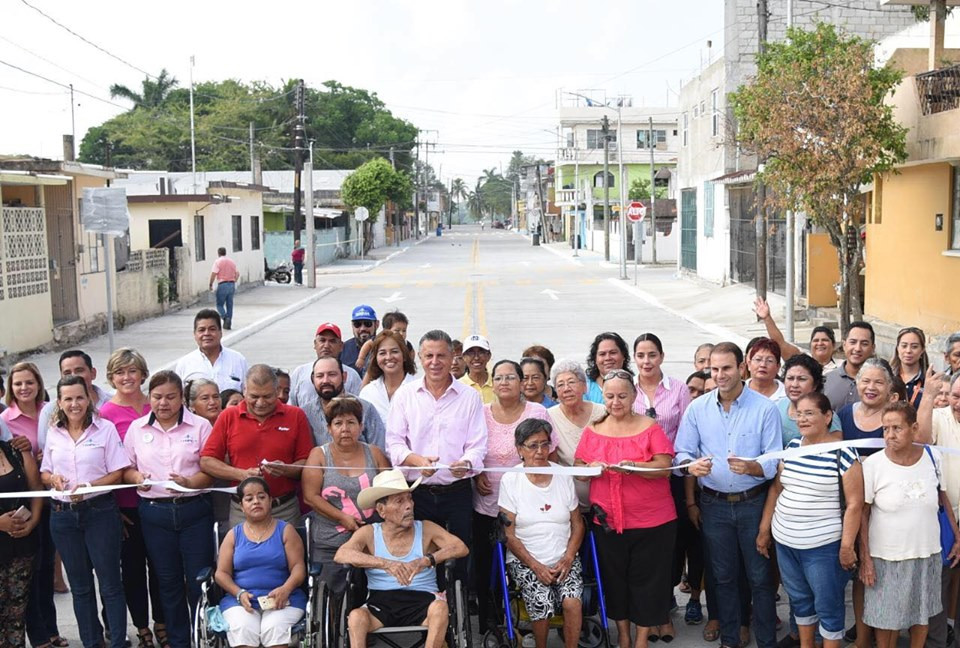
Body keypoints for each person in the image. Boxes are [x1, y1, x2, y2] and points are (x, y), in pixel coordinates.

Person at [675, 342, 782, 648]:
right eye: (715, 369)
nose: (720, 375)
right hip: (715, 505)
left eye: (726, 368)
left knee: (760, 578)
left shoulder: (765, 409)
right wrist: (690, 466)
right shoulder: (698, 409)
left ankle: (765, 641)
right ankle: (731, 640)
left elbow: (774, 459)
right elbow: (682, 452)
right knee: (722, 577)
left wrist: (754, 467)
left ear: (742, 368)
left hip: (753, 504)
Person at [575, 369, 678, 648]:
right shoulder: (594, 429)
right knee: (615, 580)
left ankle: (642, 638)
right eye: (609, 396)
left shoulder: (649, 427)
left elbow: (664, 467)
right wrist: (589, 470)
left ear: (634, 396)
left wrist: (637, 467)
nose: (615, 402)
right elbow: (580, 468)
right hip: (607, 520)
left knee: (648, 581)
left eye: (622, 396)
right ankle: (622, 634)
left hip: (652, 521)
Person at [756, 392, 863, 648]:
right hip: (786, 543)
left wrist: (847, 547)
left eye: (809, 413)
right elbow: (776, 489)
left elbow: (855, 504)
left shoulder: (844, 453)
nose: (802, 419)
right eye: (799, 413)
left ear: (828, 417)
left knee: (828, 606)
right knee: (800, 600)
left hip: (823, 548)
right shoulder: (792, 447)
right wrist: (764, 529)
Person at [385, 329, 487, 581]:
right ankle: (429, 611)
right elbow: (394, 444)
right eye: (428, 355)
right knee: (419, 558)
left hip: (457, 491)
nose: (435, 362)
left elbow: (478, 445)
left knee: (459, 557)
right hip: (417, 491)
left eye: (441, 355)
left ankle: (457, 608)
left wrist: (466, 463)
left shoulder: (470, 397)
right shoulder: (405, 395)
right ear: (419, 357)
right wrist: (416, 461)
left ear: (454, 356)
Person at [124, 370, 215, 648]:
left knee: (198, 580)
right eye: (157, 397)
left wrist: (189, 482)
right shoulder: (137, 429)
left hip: (194, 511)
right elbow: (126, 468)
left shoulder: (200, 426)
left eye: (170, 397)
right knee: (168, 580)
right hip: (155, 513)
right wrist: (137, 478)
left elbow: (209, 471)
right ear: (149, 397)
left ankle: (204, 636)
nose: (163, 403)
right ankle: (179, 641)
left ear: (182, 399)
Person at [860, 401, 960, 648]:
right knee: (886, 619)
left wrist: (957, 537)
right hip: (887, 556)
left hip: (927, 553)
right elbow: (862, 513)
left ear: (914, 428)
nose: (890, 435)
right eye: (885, 429)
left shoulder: (932, 457)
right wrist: (866, 559)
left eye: (897, 428)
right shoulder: (873, 464)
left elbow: (942, 498)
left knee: (921, 612)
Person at [40, 375, 130, 648]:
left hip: (99, 511)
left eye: (79, 397)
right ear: (59, 402)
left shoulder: (105, 429)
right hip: (63, 515)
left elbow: (118, 472)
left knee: (110, 583)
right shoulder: (54, 431)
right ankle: (92, 642)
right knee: (80, 586)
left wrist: (90, 485)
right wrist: (52, 479)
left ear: (89, 398)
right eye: (68, 398)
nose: (74, 404)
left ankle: (117, 641)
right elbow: (45, 471)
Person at [334, 469, 469, 648]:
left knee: (441, 608)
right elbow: (341, 554)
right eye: (399, 501)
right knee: (356, 617)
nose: (409, 506)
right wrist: (386, 564)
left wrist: (427, 560)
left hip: (423, 599)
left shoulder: (426, 528)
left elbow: (461, 547)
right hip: (381, 601)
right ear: (381, 510)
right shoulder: (369, 533)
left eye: (409, 499)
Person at [474, 360, 553, 632]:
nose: (504, 382)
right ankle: (491, 622)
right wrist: (475, 474)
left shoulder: (537, 411)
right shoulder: (481, 412)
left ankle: (531, 620)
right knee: (488, 568)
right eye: (498, 378)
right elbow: (470, 448)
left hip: (528, 506)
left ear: (521, 382)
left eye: (510, 377)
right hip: (488, 504)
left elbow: (547, 454)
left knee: (528, 564)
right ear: (492, 383)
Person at [99, 348, 167, 648]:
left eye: (132, 371)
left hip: (160, 501)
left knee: (162, 568)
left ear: (143, 373)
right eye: (119, 372)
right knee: (133, 571)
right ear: (111, 378)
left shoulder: (157, 405)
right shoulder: (105, 415)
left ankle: (163, 622)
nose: (126, 377)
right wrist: (112, 509)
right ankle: (142, 627)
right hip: (126, 506)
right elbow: (101, 463)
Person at [631, 333, 699, 623]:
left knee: (683, 537)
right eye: (641, 355)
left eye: (652, 355)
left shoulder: (679, 389)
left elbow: (686, 435)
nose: (647, 361)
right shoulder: (627, 389)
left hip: (671, 476)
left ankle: (693, 595)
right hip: (637, 477)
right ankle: (663, 595)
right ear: (634, 358)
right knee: (652, 544)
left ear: (662, 356)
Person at [499, 419, 584, 648]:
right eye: (532, 445)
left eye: (545, 444)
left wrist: (568, 557)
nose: (540, 451)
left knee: (572, 602)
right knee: (541, 600)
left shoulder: (562, 475)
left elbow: (577, 524)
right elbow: (509, 535)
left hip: (563, 557)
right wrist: (536, 565)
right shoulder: (510, 479)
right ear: (519, 449)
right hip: (526, 560)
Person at [201, 364, 314, 526]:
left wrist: (286, 469)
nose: (260, 403)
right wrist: (240, 474)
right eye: (254, 396)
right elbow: (207, 461)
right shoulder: (228, 416)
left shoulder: (295, 415)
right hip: (243, 509)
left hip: (284, 508)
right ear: (244, 391)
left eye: (267, 396)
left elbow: (307, 463)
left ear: (277, 392)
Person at [2, 363, 67, 648]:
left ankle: (47, 633)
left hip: (40, 509)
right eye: (18, 384)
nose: (24, 388)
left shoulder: (51, 414)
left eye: (29, 382)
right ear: (10, 389)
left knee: (38, 576)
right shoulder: (6, 419)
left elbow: (35, 484)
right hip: (12, 518)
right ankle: (40, 635)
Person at [302, 396, 390, 593]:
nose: (345, 429)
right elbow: (310, 496)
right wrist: (343, 518)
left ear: (361, 426)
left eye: (351, 422)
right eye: (338, 423)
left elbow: (390, 491)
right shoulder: (318, 455)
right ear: (329, 428)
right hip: (331, 541)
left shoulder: (374, 454)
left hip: (374, 540)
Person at [215, 477, 307, 648]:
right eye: (249, 499)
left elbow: (298, 567)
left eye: (261, 497)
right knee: (243, 628)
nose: (256, 501)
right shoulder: (233, 535)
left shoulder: (286, 530)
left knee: (273, 628)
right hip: (241, 599)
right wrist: (239, 593)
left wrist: (286, 589)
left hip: (284, 598)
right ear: (241, 506)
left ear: (270, 501)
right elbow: (221, 574)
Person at [918, 372, 960, 648]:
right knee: (939, 583)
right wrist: (929, 397)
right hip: (946, 518)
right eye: (956, 396)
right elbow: (920, 439)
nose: (958, 404)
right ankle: (938, 639)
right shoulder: (940, 417)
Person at [0, 425, 43, 648]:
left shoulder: (16, 451)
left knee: (17, 612)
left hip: (22, 545)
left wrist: (33, 522)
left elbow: (35, 490)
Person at [547, 360, 607, 506]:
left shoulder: (604, 412)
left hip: (606, 498)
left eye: (571, 382)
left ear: (585, 387)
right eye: (560, 385)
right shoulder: (548, 417)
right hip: (568, 501)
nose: (566, 389)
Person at [301, 356, 386, 449]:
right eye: (320, 376)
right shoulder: (305, 413)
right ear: (312, 380)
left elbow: (380, 450)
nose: (325, 380)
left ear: (344, 377)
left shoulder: (365, 408)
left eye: (332, 374)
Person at [36, 350, 113, 451]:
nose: (74, 376)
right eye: (67, 373)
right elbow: (45, 450)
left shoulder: (111, 403)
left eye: (79, 370)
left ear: (93, 373)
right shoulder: (49, 411)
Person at [754, 298, 839, 372]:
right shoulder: (801, 360)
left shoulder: (842, 367)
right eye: (816, 340)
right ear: (810, 345)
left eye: (825, 340)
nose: (820, 343)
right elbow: (780, 343)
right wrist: (767, 318)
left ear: (834, 345)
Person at [174, 309, 248, 393]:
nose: (206, 333)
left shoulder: (238, 360)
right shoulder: (184, 364)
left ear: (220, 332)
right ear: (195, 334)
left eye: (212, 329)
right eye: (201, 330)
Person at [289, 322, 363, 406]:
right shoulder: (300, 372)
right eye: (322, 340)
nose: (326, 345)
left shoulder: (352, 375)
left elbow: (359, 406)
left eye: (332, 341)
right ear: (315, 344)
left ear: (341, 346)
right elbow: (291, 405)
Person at [778, 354, 841, 447]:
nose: (794, 384)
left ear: (815, 385)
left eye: (802, 379)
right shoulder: (779, 406)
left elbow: (835, 452)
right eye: (790, 378)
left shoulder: (825, 416)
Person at [359, 330, 417, 422]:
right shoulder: (368, 393)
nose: (389, 357)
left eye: (394, 351)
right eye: (382, 353)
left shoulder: (419, 390)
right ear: (376, 358)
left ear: (404, 356)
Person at [824, 322, 876, 411]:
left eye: (864, 344)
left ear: (873, 348)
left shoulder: (879, 384)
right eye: (853, 342)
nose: (857, 348)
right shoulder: (826, 380)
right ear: (844, 345)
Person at [585, 332, 631, 404]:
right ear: (595, 359)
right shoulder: (585, 387)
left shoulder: (635, 384)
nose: (608, 358)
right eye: (602, 354)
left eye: (613, 352)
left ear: (623, 356)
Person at [889, 327, 929, 408]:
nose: (908, 351)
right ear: (897, 348)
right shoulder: (887, 376)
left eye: (914, 347)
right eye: (904, 346)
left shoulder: (930, 380)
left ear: (922, 350)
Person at [341, 305, 380, 377]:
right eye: (357, 324)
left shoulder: (386, 346)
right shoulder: (343, 350)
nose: (362, 328)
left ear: (377, 324)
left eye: (367, 324)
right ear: (352, 326)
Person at [209, 246, 240, 330]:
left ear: (218, 253)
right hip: (231, 284)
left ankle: (225, 318)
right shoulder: (232, 262)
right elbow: (237, 273)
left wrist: (211, 283)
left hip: (222, 284)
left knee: (219, 304)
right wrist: (234, 281)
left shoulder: (218, 262)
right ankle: (229, 320)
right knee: (229, 304)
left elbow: (214, 273)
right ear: (225, 252)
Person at [459, 334, 495, 404]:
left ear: (489, 356)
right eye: (471, 353)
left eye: (481, 352)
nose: (476, 358)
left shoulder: (498, 383)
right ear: (464, 357)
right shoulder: (458, 386)